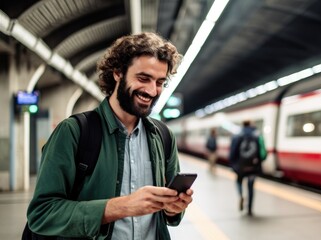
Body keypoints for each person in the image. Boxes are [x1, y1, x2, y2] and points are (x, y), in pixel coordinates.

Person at [26, 32, 193, 239]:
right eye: (143, 78)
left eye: (160, 82)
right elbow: (41, 214)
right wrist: (120, 207)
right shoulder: (73, 132)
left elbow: (170, 215)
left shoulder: (163, 136)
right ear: (118, 73)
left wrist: (173, 208)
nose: (152, 90)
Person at [229, 120, 266, 216]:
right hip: (253, 167)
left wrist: (233, 164)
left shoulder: (237, 135)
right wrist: (259, 161)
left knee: (238, 182)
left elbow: (232, 153)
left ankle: (241, 195)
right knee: (251, 187)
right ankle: (249, 209)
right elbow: (263, 153)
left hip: (241, 167)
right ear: (251, 125)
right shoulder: (257, 135)